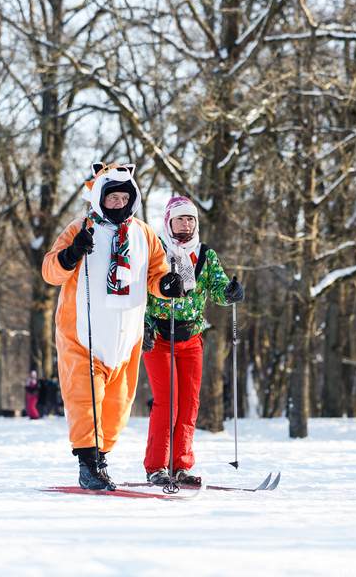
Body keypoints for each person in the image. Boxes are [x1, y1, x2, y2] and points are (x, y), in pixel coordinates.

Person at [42, 161, 179, 491]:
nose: (119, 204)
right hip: (83, 335)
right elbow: (50, 271)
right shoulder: (80, 228)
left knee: (117, 410)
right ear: (100, 198)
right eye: (112, 198)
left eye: (124, 198)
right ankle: (88, 464)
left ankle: (101, 459)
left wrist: (167, 285)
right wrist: (71, 254)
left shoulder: (144, 234)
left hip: (126, 338)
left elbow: (157, 274)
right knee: (85, 402)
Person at [141, 196, 245, 485]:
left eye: (190, 219)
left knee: (188, 404)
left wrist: (230, 293)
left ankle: (180, 466)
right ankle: (156, 467)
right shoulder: (156, 251)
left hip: (191, 338)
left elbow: (218, 287)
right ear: (168, 222)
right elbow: (140, 291)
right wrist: (143, 325)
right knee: (168, 403)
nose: (185, 224)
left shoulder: (205, 255)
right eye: (180, 219)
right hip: (159, 337)